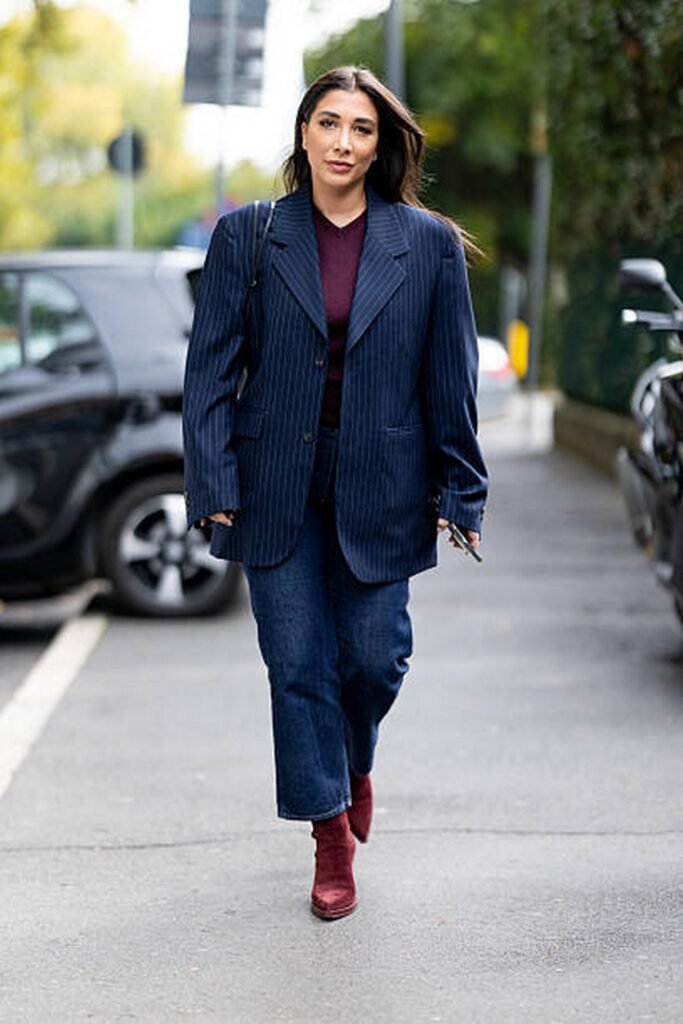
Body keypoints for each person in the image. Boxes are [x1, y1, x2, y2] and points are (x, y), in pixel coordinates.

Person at [182, 65, 488, 920]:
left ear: (379, 144)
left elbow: (449, 377)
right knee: (297, 667)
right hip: (269, 485)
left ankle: (352, 761)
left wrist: (460, 490)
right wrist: (210, 480)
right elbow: (208, 372)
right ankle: (328, 837)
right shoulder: (248, 236)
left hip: (382, 487)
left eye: (361, 128)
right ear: (303, 134)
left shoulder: (423, 244)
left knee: (374, 658)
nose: (344, 142)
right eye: (329, 123)